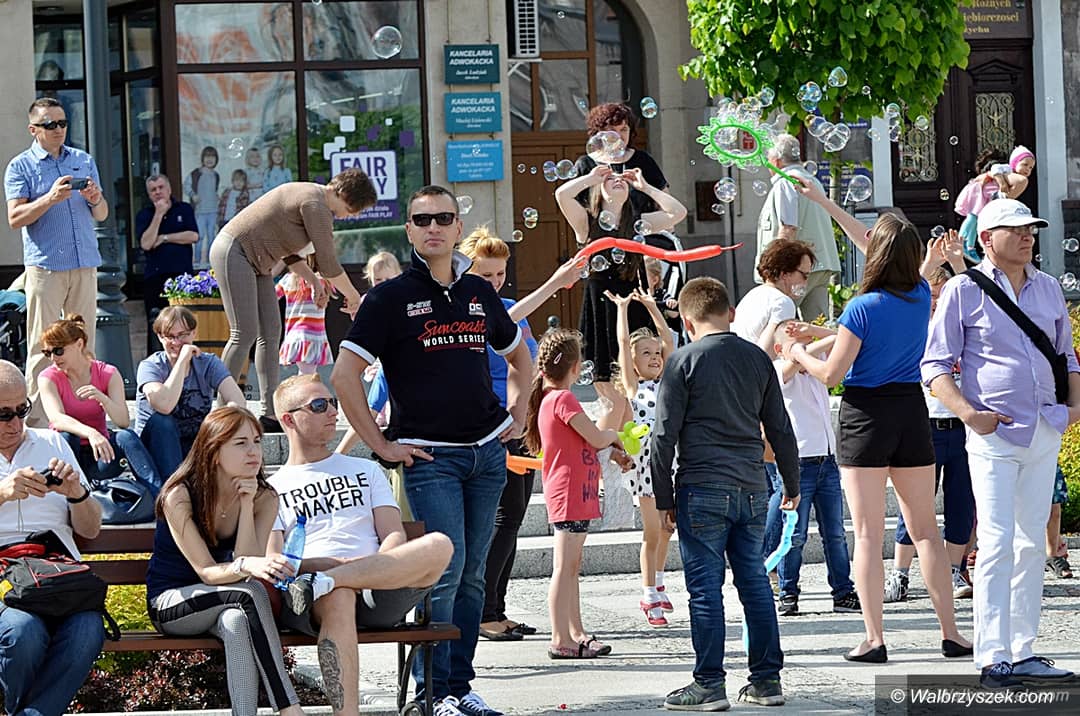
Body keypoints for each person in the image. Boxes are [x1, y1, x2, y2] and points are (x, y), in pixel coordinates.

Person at [332, 185, 534, 716]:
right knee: (445, 572)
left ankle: (459, 687)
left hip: (487, 453)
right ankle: (430, 692)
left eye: (444, 218)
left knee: (473, 576)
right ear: (409, 231)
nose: (434, 227)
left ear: (458, 228)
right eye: (422, 220)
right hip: (430, 459)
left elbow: (521, 359)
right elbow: (344, 376)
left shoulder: (479, 292)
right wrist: (380, 444)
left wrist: (518, 414)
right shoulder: (388, 298)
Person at [788, 178, 972, 664]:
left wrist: (797, 352)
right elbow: (877, 244)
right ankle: (951, 633)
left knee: (869, 534)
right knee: (926, 529)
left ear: (876, 257)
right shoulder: (920, 294)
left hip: (865, 416)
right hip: (910, 411)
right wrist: (824, 202)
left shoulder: (861, 307)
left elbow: (831, 375)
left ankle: (875, 639)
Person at [922, 198, 1080, 688]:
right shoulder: (963, 289)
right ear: (987, 238)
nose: (1028, 236)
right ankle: (993, 656)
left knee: (1032, 540)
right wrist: (969, 414)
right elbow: (934, 364)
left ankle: (1023, 649)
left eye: (1031, 228)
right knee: (995, 540)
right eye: (1016, 229)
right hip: (993, 434)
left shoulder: (1048, 287)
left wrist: (1073, 408)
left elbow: (1066, 355)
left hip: (1045, 426)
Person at [650, 277, 800, 710]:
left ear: (686, 320)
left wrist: (663, 500)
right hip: (752, 486)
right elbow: (780, 429)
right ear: (730, 314)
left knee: (705, 590)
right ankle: (767, 681)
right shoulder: (757, 359)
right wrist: (791, 484)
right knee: (754, 583)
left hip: (701, 487)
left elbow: (662, 437)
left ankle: (709, 684)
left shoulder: (682, 361)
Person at [267, 374, 453, 716]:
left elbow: (393, 535)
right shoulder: (273, 489)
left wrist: (370, 570)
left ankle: (334, 580)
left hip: (377, 586)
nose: (332, 412)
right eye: (319, 405)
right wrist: (329, 568)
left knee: (440, 545)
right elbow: (276, 559)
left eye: (332, 403)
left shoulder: (364, 469)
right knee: (337, 595)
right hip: (314, 594)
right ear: (289, 420)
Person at [146, 406, 305, 716]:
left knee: (236, 620)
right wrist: (245, 566)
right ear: (214, 451)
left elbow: (246, 563)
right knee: (251, 593)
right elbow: (207, 572)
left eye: (257, 441)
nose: (253, 451)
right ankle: (289, 708)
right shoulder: (179, 496)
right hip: (172, 603)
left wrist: (246, 505)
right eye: (241, 443)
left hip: (228, 599)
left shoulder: (265, 497)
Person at [210, 168, 372, 432]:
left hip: (258, 261)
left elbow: (291, 255)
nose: (351, 216)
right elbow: (328, 263)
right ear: (345, 194)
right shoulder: (315, 203)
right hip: (234, 251)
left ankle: (269, 413)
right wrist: (354, 297)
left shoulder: (311, 198)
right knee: (244, 332)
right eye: (353, 210)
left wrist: (313, 282)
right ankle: (220, 410)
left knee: (270, 332)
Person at [0, 358, 105, 716]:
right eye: (3, 414)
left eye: (22, 410)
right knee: (23, 631)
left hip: (58, 575)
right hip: (5, 577)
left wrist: (77, 493)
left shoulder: (52, 442)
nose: (16, 424)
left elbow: (91, 529)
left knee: (88, 629)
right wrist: (3, 493)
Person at [524, 328, 631, 658]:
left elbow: (584, 442)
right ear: (575, 367)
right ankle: (561, 638)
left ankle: (576, 631)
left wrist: (610, 448)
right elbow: (596, 437)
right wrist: (614, 435)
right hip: (569, 492)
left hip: (574, 492)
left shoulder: (551, 399)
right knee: (564, 567)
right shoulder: (562, 399)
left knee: (571, 566)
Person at [4, 97, 108, 423]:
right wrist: (49, 198)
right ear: (33, 130)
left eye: (62, 123)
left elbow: (102, 214)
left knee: (83, 342)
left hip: (84, 262)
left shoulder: (82, 159)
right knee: (43, 347)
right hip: (46, 267)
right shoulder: (20, 166)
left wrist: (96, 198)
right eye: (50, 124)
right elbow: (15, 218)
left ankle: (86, 413)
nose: (58, 129)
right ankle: (36, 421)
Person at [555, 164, 686, 407]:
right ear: (598, 189)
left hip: (634, 306)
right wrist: (591, 178)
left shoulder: (637, 221)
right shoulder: (587, 222)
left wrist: (645, 187)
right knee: (613, 398)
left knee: (634, 394)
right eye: (610, 179)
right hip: (602, 309)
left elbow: (678, 212)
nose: (617, 180)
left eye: (622, 180)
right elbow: (562, 195)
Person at [885, 261, 975, 604]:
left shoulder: (964, 328)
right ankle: (900, 572)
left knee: (961, 502)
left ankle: (953, 569)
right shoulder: (914, 330)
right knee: (915, 503)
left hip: (963, 427)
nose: (936, 303)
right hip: (923, 426)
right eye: (932, 295)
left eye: (942, 295)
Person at [769, 321, 859, 616]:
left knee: (835, 532)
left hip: (827, 461)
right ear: (780, 349)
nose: (808, 348)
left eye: (809, 342)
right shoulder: (778, 370)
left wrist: (811, 331)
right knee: (794, 535)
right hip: (798, 464)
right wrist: (798, 349)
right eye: (798, 344)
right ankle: (788, 591)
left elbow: (841, 337)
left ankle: (843, 592)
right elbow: (793, 363)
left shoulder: (817, 365)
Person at [599, 288, 676, 628]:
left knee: (667, 529)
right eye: (646, 353)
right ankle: (648, 594)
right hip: (645, 469)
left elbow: (668, 340)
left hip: (670, 465)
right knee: (652, 531)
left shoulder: (668, 383)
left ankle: (658, 582)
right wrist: (622, 309)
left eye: (656, 354)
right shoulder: (634, 388)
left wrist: (651, 306)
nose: (655, 357)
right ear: (632, 362)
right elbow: (621, 342)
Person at [37, 315, 162, 496]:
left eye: (58, 351)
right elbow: (57, 419)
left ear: (79, 344)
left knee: (126, 437)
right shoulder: (48, 377)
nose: (53, 358)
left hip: (101, 455)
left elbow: (123, 422)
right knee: (66, 436)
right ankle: (69, 498)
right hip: (67, 458)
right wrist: (91, 433)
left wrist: (103, 398)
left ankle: (158, 497)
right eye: (47, 353)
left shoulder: (107, 373)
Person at [134, 306, 246, 481]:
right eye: (170, 336)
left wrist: (222, 423)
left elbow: (237, 400)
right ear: (160, 337)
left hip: (193, 443)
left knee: (231, 420)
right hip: (157, 447)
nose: (176, 342)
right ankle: (175, 487)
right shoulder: (150, 366)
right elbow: (164, 405)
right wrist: (182, 361)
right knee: (163, 422)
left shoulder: (208, 363)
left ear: (194, 333)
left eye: (182, 335)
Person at [756, 134, 839, 321]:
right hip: (819, 264)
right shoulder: (812, 181)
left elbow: (788, 228)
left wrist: (774, 269)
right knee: (818, 324)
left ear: (776, 161)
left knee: (779, 320)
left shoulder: (785, 182)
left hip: (795, 269)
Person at [135, 173, 198, 356]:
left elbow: (193, 235)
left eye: (161, 188)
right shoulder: (144, 215)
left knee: (183, 320)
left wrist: (164, 238)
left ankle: (186, 358)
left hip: (181, 277)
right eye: (153, 190)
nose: (158, 192)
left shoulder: (184, 209)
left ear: (169, 189)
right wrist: (159, 214)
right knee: (156, 322)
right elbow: (146, 243)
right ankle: (158, 361)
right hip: (155, 278)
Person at [573, 102, 669, 215]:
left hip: (642, 224)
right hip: (598, 226)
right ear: (599, 134)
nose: (618, 136)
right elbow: (571, 204)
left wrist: (654, 222)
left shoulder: (642, 160)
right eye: (612, 130)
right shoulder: (585, 163)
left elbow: (664, 201)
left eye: (623, 129)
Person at [733, 238, 816, 357]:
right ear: (784, 273)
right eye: (804, 275)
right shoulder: (782, 302)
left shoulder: (753, 294)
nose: (806, 282)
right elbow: (766, 354)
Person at [276, 256, 335, 376]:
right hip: (313, 335)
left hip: (295, 333)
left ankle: (300, 388)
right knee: (307, 375)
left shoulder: (287, 280)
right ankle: (302, 389)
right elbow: (333, 289)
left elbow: (272, 296)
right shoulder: (322, 280)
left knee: (305, 374)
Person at [184, 145, 220, 267]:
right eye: (207, 157)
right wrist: (193, 195)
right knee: (199, 236)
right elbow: (186, 185)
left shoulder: (215, 175)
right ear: (202, 158)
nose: (210, 160)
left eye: (212, 157)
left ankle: (210, 261)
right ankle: (197, 260)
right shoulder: (196, 173)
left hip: (213, 210)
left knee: (211, 236)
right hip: (200, 211)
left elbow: (214, 190)